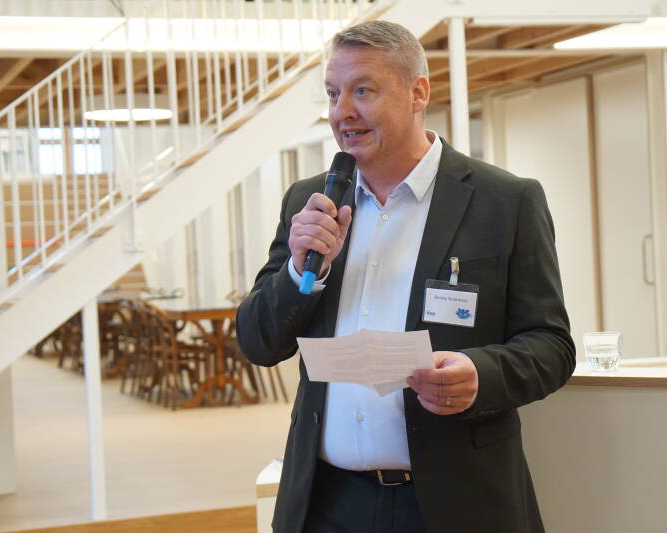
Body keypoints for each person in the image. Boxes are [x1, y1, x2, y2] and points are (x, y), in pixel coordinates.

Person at [237, 20, 575, 533]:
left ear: (418, 93)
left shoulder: (506, 202)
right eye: (333, 93)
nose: (341, 112)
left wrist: (481, 373)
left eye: (363, 91)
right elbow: (258, 342)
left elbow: (551, 345)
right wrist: (299, 269)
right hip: (327, 503)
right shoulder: (311, 202)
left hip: (454, 502)